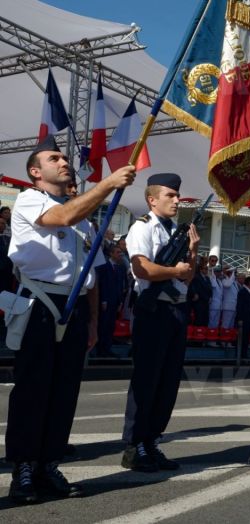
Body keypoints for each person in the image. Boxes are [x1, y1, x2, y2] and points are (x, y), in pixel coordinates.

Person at [5, 135, 135, 503]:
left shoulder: (85, 220)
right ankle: (24, 467)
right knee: (33, 389)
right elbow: (60, 216)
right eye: (54, 158)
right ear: (35, 171)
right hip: (42, 302)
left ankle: (49, 462)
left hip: (75, 307)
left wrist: (93, 320)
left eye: (64, 157)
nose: (63, 162)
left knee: (65, 391)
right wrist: (108, 184)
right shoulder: (31, 199)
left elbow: (92, 274)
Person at [120, 172, 200, 472]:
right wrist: (175, 271)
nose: (177, 200)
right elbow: (141, 268)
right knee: (147, 379)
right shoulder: (142, 227)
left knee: (168, 382)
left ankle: (152, 440)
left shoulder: (174, 232)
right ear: (152, 199)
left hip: (176, 311)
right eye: (170, 195)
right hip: (154, 310)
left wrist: (192, 251)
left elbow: (189, 276)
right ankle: (134, 444)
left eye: (177, 195)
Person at [94, 243, 127, 357]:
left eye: (121, 253)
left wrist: (120, 301)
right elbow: (101, 284)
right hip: (106, 301)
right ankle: (99, 349)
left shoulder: (121, 267)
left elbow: (121, 286)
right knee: (103, 325)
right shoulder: (103, 266)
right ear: (111, 254)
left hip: (115, 301)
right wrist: (103, 300)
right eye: (118, 253)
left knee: (110, 326)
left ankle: (107, 348)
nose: (120, 255)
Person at [236, 276, 250, 357]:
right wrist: (240, 318)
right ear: (249, 282)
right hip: (244, 319)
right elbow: (239, 306)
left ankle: (244, 354)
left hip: (249, 319)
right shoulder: (243, 291)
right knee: (242, 337)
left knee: (246, 337)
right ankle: (239, 354)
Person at [188, 260, 212, 327]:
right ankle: (197, 334)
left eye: (207, 269)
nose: (206, 270)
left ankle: (204, 333)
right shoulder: (197, 277)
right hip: (199, 302)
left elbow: (210, 289)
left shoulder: (207, 278)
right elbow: (197, 289)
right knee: (199, 318)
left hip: (206, 302)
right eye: (205, 269)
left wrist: (210, 297)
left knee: (205, 318)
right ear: (201, 270)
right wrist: (204, 297)